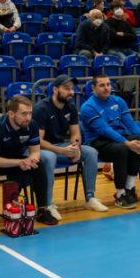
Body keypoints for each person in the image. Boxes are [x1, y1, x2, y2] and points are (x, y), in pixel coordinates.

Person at [0, 96, 53, 237]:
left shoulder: (31, 125)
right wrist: (19, 162)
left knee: (39, 165)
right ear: (11, 114)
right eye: (24, 114)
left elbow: (35, 151)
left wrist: (30, 161)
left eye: (30, 113)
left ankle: (42, 210)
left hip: (11, 158)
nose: (28, 117)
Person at [33, 75, 109, 219]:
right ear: (55, 89)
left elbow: (75, 132)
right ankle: (48, 204)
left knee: (91, 152)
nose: (71, 92)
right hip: (40, 149)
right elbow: (38, 141)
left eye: (72, 89)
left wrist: (75, 146)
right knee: (50, 157)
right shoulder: (41, 109)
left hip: (61, 146)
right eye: (66, 89)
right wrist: (62, 150)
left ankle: (90, 198)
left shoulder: (71, 107)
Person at [79, 74, 140, 209]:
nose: (106, 88)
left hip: (117, 138)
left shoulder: (118, 101)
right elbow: (105, 130)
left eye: (108, 84)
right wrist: (126, 142)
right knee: (122, 148)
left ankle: (130, 188)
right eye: (102, 85)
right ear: (93, 88)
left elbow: (130, 123)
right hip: (97, 142)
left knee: (137, 141)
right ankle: (120, 193)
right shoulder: (88, 107)